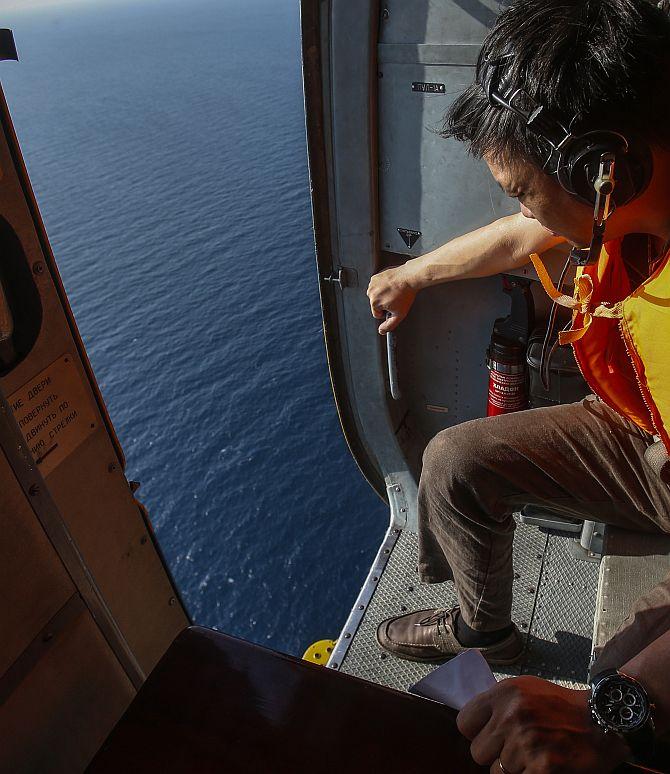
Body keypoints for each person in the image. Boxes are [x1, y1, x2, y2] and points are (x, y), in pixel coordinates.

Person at [367, 0, 670, 771]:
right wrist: (410, 274)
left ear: (605, 168)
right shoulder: (633, 184)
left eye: (524, 186)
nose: (523, 208)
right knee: (453, 462)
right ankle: (485, 629)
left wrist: (621, 710)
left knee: (615, 684)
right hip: (642, 429)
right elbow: (518, 236)